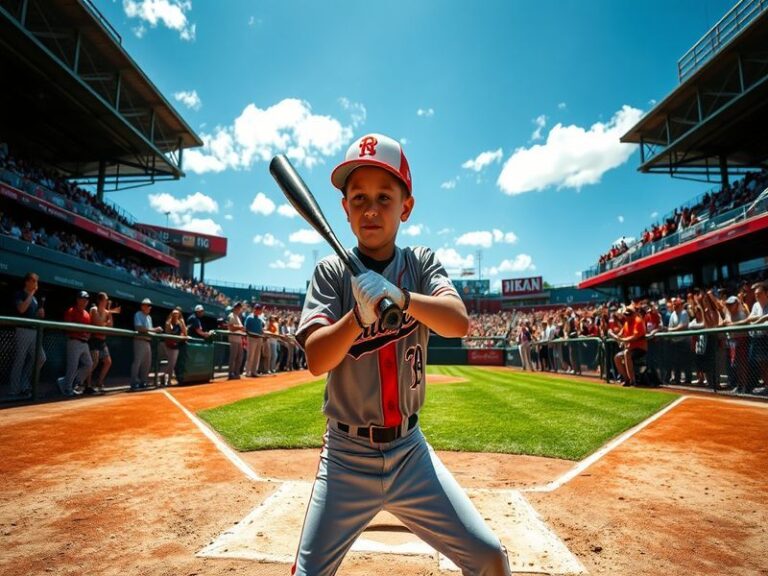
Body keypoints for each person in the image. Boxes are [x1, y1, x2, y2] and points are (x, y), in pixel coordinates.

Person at [292, 133, 510, 576]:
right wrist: (357, 317)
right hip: (346, 458)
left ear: (405, 207)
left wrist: (401, 296)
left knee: (489, 559)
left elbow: (458, 321)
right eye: (358, 198)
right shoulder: (331, 272)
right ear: (345, 209)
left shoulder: (421, 264)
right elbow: (317, 359)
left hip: (411, 453)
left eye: (384, 198)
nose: (370, 209)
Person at [10, 272, 46, 396]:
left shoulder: (35, 298)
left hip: (34, 331)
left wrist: (40, 314)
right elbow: (21, 309)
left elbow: (33, 315)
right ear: (27, 282)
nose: (36, 284)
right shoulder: (20, 294)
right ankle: (14, 390)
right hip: (22, 330)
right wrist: (31, 294)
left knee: (41, 358)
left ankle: (24, 383)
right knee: (20, 360)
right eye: (34, 281)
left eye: (37, 281)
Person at [57, 291, 93, 396]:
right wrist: (80, 333)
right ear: (78, 299)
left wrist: (88, 335)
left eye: (86, 299)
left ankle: (66, 382)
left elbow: (89, 329)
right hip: (74, 341)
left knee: (89, 364)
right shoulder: (71, 311)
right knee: (72, 366)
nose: (85, 301)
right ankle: (68, 388)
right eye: (83, 299)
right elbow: (67, 328)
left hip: (84, 343)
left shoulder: (87, 314)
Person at [86, 292, 119, 395]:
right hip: (93, 339)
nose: (108, 301)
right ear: (100, 300)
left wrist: (109, 313)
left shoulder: (106, 311)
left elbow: (111, 326)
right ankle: (87, 385)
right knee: (94, 362)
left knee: (108, 361)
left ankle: (99, 382)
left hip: (102, 340)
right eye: (106, 299)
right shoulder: (93, 309)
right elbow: (98, 323)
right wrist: (107, 319)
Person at [613, 304, 648, 387]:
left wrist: (623, 340)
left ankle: (633, 380)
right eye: (625, 314)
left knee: (626, 353)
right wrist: (617, 337)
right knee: (617, 357)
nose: (626, 316)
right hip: (630, 348)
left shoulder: (638, 321)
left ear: (633, 314)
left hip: (640, 348)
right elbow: (621, 334)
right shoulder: (626, 323)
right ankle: (626, 379)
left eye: (629, 315)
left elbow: (635, 337)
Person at [131, 298, 162, 390]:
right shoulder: (138, 314)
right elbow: (139, 327)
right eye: (148, 305)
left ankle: (143, 382)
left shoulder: (149, 317)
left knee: (147, 363)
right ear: (143, 306)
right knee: (137, 362)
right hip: (139, 340)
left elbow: (150, 330)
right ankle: (133, 383)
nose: (150, 307)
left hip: (147, 341)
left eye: (150, 306)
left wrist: (156, 331)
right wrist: (154, 329)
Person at [163, 308, 187, 386]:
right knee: (171, 363)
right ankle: (166, 379)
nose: (175, 315)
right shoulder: (168, 322)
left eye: (177, 314)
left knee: (172, 363)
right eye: (174, 314)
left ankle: (166, 378)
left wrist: (182, 323)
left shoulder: (180, 322)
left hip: (176, 345)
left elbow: (185, 333)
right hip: (169, 344)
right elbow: (168, 332)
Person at [244, 303, 265, 377]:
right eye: (259, 310)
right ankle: (247, 371)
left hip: (259, 338)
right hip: (251, 338)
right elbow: (246, 328)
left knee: (257, 356)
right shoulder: (249, 318)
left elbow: (261, 329)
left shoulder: (260, 319)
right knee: (250, 355)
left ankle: (254, 371)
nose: (260, 312)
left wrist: (264, 334)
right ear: (255, 310)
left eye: (260, 310)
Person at [227, 301, 245, 379]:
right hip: (233, 339)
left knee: (240, 357)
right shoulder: (231, 315)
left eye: (240, 308)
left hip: (239, 339)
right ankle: (231, 373)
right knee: (233, 357)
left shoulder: (237, 317)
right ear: (235, 308)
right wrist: (240, 328)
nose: (239, 309)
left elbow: (239, 328)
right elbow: (231, 328)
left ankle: (236, 373)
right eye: (238, 308)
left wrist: (242, 329)